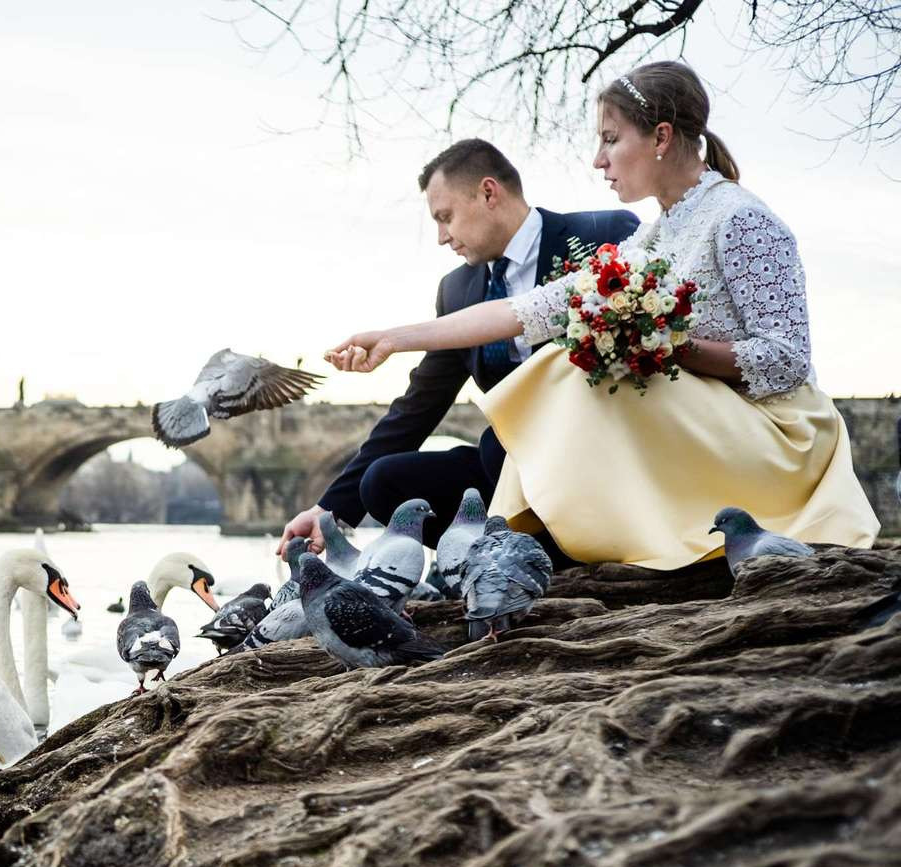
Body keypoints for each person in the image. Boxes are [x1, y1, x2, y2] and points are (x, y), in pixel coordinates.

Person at [326, 62, 877, 569]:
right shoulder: (654, 234)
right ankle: (550, 548)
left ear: (661, 138)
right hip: (699, 428)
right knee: (571, 359)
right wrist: (394, 338)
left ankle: (559, 547)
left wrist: (662, 347)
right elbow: (532, 308)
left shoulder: (742, 220)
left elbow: (785, 360)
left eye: (610, 140)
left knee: (570, 368)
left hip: (773, 437)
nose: (598, 159)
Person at [279, 140, 637, 553]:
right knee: (384, 481)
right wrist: (329, 509)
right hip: (513, 470)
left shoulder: (600, 235)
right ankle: (517, 560)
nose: (441, 237)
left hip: (601, 459)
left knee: (495, 446)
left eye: (445, 218)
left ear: (488, 193)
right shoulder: (457, 290)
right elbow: (417, 408)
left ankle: (558, 554)